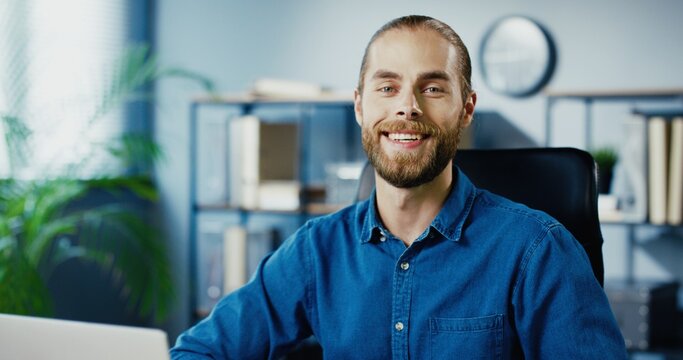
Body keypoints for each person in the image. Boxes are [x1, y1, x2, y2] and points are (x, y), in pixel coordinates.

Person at [171, 15, 627, 359]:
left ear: (466, 109)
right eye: (387, 87)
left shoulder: (537, 251)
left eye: (432, 89)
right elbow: (200, 351)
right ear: (359, 105)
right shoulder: (316, 250)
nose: (407, 108)